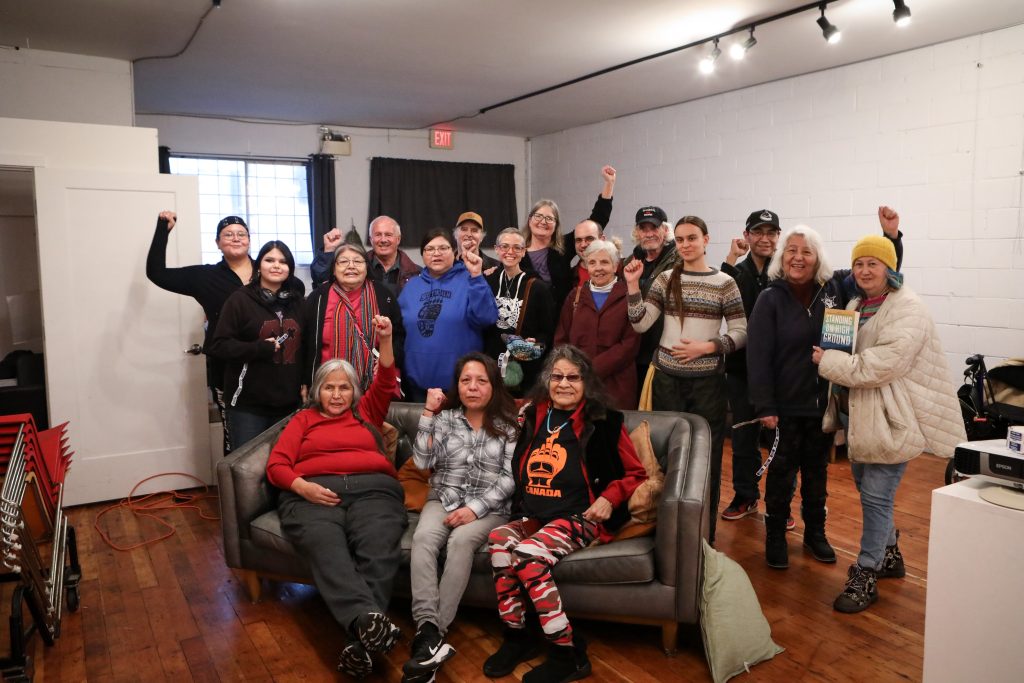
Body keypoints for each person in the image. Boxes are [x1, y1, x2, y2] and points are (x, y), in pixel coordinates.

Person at [812, 235, 965, 613]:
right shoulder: (856, 303)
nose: (864, 270)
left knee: (877, 496)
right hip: (861, 414)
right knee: (869, 492)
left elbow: (881, 365)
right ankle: (890, 553)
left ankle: (866, 572)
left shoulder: (907, 308)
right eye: (859, 263)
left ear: (889, 269)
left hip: (892, 418)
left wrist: (826, 361)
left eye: (873, 263)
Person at [720, 207, 903, 524]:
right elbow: (752, 341)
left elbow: (871, 273)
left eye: (806, 252)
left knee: (806, 463)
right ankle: (756, 504)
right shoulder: (749, 280)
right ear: (749, 237)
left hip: (809, 390)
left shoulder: (830, 285)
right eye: (793, 251)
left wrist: (890, 239)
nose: (798, 257)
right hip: (760, 380)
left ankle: (802, 520)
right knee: (758, 450)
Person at [482, 345, 646, 683]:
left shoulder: (605, 421)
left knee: (528, 555)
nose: (564, 383)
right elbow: (487, 401)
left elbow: (636, 473)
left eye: (573, 377)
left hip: (578, 518)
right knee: (498, 542)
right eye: (557, 376)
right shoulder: (532, 413)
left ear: (586, 381)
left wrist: (610, 498)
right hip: (534, 516)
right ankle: (518, 636)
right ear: (547, 381)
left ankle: (565, 652)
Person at [266, 316, 405, 679]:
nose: (337, 395)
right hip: (313, 494)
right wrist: (302, 486)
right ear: (317, 390)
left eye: (345, 387)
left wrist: (385, 338)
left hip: (373, 490)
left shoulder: (367, 412)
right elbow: (278, 465)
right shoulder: (302, 421)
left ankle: (361, 636)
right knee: (326, 545)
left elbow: (386, 377)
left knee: (378, 544)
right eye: (329, 387)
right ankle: (366, 629)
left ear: (355, 391)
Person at [624, 216, 746, 544]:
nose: (685, 244)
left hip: (708, 383)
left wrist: (708, 346)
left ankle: (703, 538)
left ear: (706, 240)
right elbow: (639, 323)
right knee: (668, 459)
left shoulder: (724, 283)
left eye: (692, 238)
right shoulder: (665, 279)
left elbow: (740, 331)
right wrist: (634, 285)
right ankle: (666, 536)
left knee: (706, 459)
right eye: (679, 239)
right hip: (667, 380)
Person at [403, 353, 518, 683]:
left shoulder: (510, 424)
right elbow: (423, 463)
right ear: (457, 385)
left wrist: (474, 510)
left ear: (493, 386)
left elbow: (511, 479)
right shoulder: (445, 419)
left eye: (481, 381)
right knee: (423, 539)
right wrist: (427, 412)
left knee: (462, 541)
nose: (473, 387)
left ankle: (434, 633)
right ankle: (427, 626)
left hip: (489, 508)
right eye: (466, 380)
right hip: (444, 497)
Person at [145, 211, 254, 453]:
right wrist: (163, 230)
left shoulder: (267, 270)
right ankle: (233, 490)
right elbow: (156, 273)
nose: (236, 238)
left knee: (273, 436)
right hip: (226, 369)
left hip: (267, 367)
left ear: (249, 239)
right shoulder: (205, 276)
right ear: (217, 243)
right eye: (228, 234)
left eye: (241, 234)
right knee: (235, 439)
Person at [208, 240, 305, 450]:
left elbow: (305, 348)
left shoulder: (298, 302)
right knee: (246, 470)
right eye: (269, 260)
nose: (276, 265)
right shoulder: (239, 300)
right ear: (258, 265)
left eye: (283, 261)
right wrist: (259, 348)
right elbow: (219, 345)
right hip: (248, 407)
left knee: (284, 465)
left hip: (289, 404)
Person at [399, 228, 499, 402]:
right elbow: (399, 331)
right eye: (429, 249)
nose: (436, 253)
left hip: (461, 385)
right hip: (417, 386)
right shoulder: (411, 287)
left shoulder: (470, 279)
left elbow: (487, 318)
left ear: (454, 252)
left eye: (443, 248)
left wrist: (476, 275)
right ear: (422, 254)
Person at [302, 243, 404, 393]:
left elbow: (398, 335)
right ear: (334, 269)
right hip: (327, 386)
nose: (351, 266)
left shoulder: (383, 294)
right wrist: (305, 380)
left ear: (366, 267)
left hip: (373, 386)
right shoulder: (318, 297)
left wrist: (387, 358)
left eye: (357, 261)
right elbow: (305, 342)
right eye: (343, 262)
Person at [555, 240, 640, 410]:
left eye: (604, 262)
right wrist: (572, 369)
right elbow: (561, 338)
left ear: (616, 266)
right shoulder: (575, 296)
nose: (598, 268)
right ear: (586, 267)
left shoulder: (630, 295)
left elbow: (630, 344)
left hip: (617, 386)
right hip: (578, 384)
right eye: (592, 262)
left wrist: (591, 369)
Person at [523, 165, 617, 310]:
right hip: (530, 319)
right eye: (538, 216)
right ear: (530, 220)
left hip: (561, 317)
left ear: (556, 224)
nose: (543, 222)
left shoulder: (564, 245)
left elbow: (597, 219)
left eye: (549, 218)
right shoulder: (517, 250)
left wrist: (609, 184)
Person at [485, 228, 557, 396]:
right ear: (496, 249)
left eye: (517, 247)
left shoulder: (539, 288)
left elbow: (548, 331)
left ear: (524, 251)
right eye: (504, 246)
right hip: (491, 365)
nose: (510, 252)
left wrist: (536, 343)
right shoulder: (487, 282)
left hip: (525, 369)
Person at [621, 206, 679, 393]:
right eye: (643, 228)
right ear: (637, 232)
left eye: (654, 228)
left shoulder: (679, 261)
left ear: (665, 230)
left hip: (666, 351)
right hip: (635, 350)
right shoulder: (629, 261)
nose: (649, 233)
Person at [312, 216, 421, 294]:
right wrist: (329, 250)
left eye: (388, 235)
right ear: (371, 239)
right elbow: (321, 281)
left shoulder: (417, 272)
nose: (383, 240)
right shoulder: (354, 267)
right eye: (378, 235)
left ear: (398, 239)